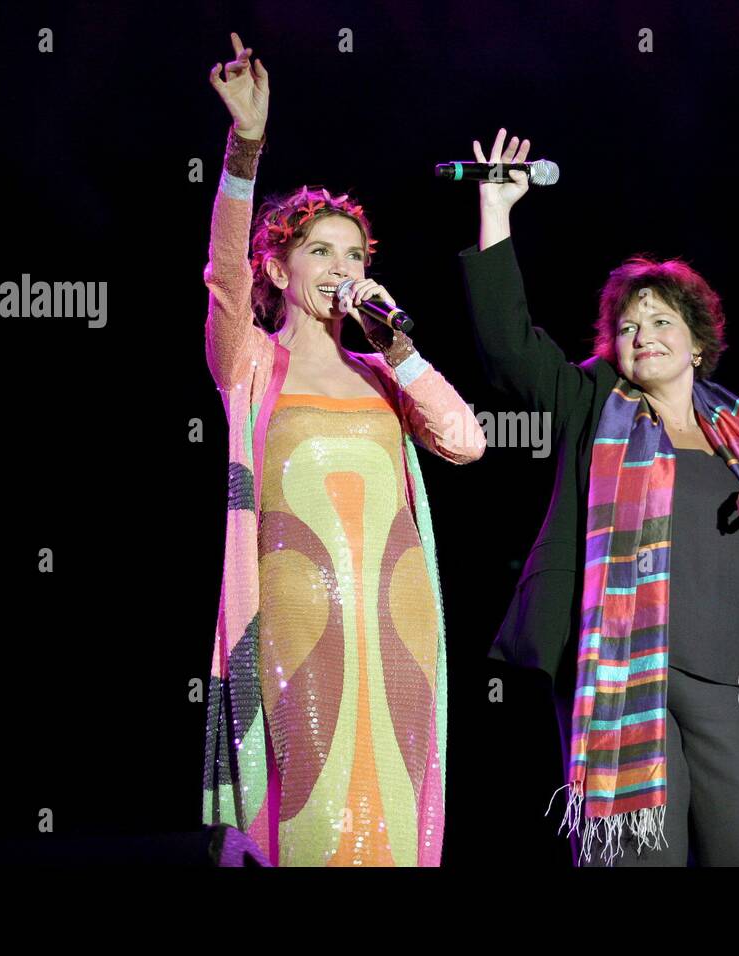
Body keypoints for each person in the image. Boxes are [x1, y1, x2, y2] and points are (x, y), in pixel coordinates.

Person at [459, 128, 739, 866]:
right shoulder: (591, 400)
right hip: (623, 673)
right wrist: (496, 209)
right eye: (627, 325)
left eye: (661, 321)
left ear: (697, 342)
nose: (642, 333)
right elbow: (507, 348)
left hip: (734, 683)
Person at [200, 34, 485, 867]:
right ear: (279, 269)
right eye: (318, 250)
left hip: (396, 620)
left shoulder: (383, 372)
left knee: (392, 811)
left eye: (354, 253)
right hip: (293, 615)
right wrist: (244, 150)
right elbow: (221, 275)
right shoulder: (252, 363)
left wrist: (401, 350)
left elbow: (465, 443)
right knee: (318, 813)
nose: (341, 265)